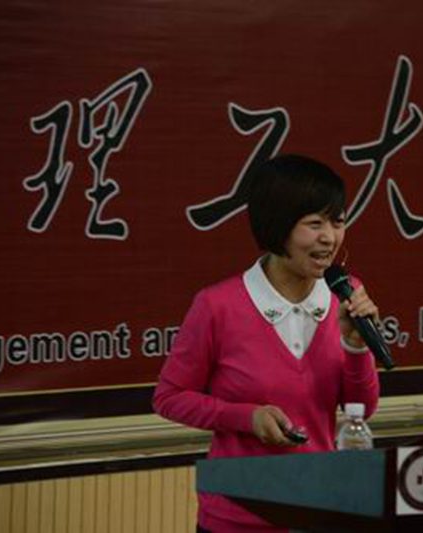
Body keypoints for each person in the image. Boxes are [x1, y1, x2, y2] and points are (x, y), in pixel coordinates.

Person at [152, 154, 381, 532]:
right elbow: (169, 397)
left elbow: (363, 409)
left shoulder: (346, 294)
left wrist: (356, 346)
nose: (329, 237)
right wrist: (246, 417)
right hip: (237, 517)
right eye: (314, 224)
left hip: (318, 509)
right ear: (278, 226)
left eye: (338, 222)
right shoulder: (217, 306)